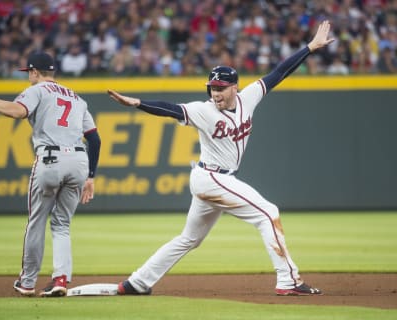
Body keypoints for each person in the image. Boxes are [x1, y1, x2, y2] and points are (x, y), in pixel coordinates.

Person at [107, 20, 334, 296]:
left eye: (221, 87)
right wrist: (139, 103)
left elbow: (279, 72)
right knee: (268, 213)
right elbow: (170, 109)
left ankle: (137, 282)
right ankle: (289, 280)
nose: (216, 93)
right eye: (213, 88)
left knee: (189, 239)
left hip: (214, 179)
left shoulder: (249, 97)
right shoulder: (204, 111)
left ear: (235, 87)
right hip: (212, 178)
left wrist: (310, 47)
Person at [0, 52, 101, 297]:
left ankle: (27, 282)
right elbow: (94, 138)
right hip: (80, 162)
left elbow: (17, 112)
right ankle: (61, 279)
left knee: (37, 221)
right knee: (62, 225)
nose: (29, 76)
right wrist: (91, 177)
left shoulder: (37, 90)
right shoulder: (78, 98)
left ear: (35, 72)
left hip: (51, 159)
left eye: (29, 72)